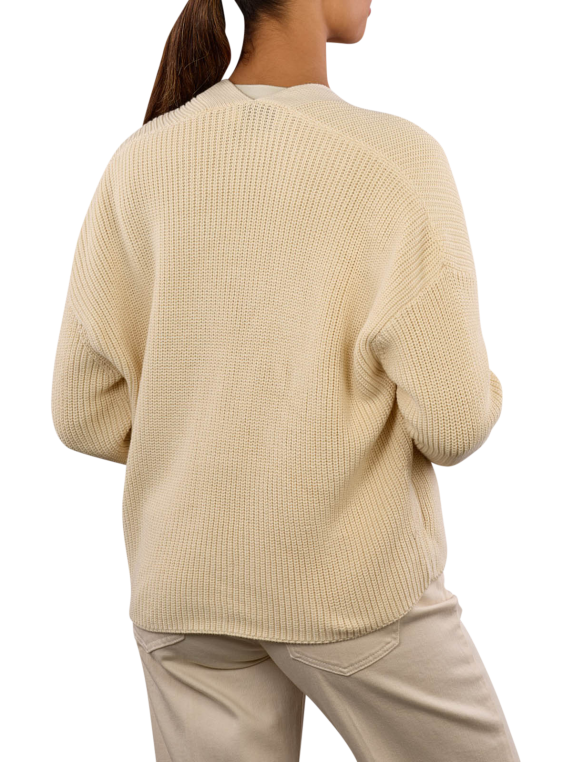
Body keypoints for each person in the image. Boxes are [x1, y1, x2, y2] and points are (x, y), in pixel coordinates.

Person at [50, 1, 519, 760]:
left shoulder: (139, 159)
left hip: (183, 590)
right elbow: (454, 425)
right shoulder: (394, 155)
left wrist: (207, 437)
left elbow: (83, 416)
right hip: (350, 589)